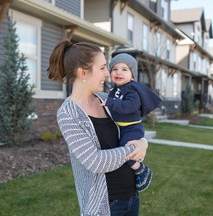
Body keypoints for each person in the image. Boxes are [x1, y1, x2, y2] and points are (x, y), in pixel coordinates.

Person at [47, 39, 149, 216]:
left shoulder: (106, 98)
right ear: (83, 72)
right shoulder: (68, 113)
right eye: (102, 68)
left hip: (132, 196)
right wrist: (134, 148)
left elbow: (131, 125)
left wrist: (143, 141)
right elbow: (95, 161)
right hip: (105, 203)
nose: (108, 74)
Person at [102, 53, 161, 192]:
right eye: (115, 69)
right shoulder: (114, 89)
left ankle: (142, 170)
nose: (118, 72)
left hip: (132, 128)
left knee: (125, 152)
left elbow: (130, 106)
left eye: (124, 69)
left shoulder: (131, 89)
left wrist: (111, 103)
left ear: (132, 75)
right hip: (121, 127)